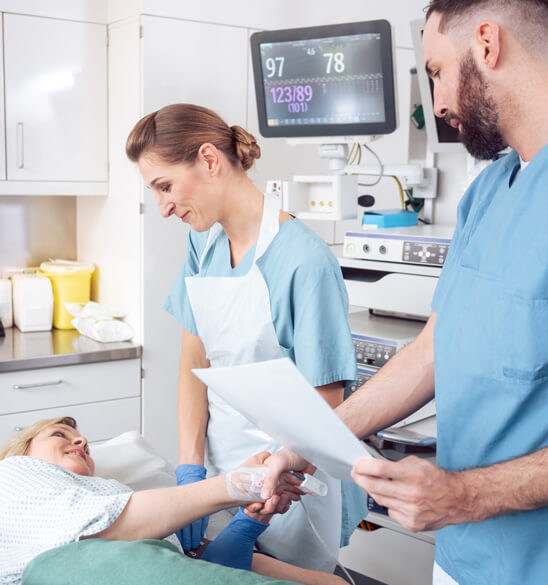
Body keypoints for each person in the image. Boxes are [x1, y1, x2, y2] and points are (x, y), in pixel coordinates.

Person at [261, 1, 548, 584]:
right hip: (463, 556)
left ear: (487, 45)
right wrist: (312, 442)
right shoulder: (489, 191)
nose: (438, 104)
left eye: (437, 71)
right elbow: (432, 351)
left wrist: (466, 496)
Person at [125, 104, 358, 571]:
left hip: (289, 490)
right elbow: (195, 360)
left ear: (209, 159)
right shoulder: (203, 241)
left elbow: (324, 413)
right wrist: (191, 472)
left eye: (164, 186)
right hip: (219, 473)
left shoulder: (304, 262)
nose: (164, 207)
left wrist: (258, 510)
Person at [0, 416, 347, 585]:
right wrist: (233, 486)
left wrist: (247, 523)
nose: (82, 441)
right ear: (24, 449)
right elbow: (104, 534)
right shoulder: (12, 473)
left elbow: (180, 568)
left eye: (83, 441)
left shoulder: (114, 492)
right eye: (60, 434)